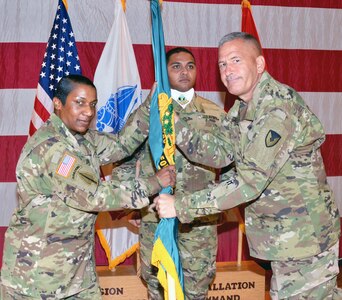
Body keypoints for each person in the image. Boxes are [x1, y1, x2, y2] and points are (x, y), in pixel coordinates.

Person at [155, 32, 342, 299]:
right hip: (283, 236)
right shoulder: (242, 109)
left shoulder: (277, 107)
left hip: (304, 238)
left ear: (259, 65)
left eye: (235, 61)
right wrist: (173, 124)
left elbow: (249, 181)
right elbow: (220, 153)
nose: (227, 71)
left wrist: (181, 206)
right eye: (222, 64)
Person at [0, 75, 176, 300]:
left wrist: (150, 103)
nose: (89, 111)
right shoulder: (52, 148)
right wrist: (154, 182)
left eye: (92, 104)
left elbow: (122, 144)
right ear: (58, 103)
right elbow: (95, 196)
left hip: (77, 274)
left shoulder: (83, 140)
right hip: (38, 276)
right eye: (79, 102)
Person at [112, 47, 226, 299]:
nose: (184, 71)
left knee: (196, 285)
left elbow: (231, 163)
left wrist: (224, 206)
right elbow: (125, 156)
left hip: (199, 219)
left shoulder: (215, 113)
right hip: (156, 216)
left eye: (190, 66)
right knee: (158, 286)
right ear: (163, 72)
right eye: (176, 66)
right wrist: (131, 203)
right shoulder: (149, 112)